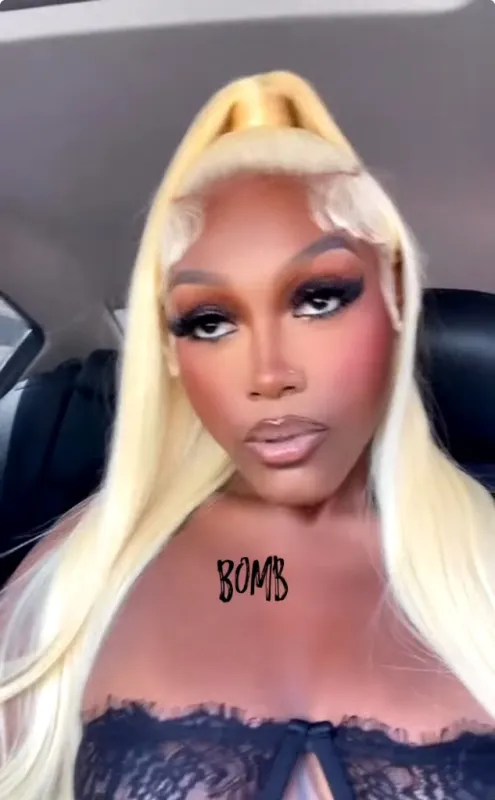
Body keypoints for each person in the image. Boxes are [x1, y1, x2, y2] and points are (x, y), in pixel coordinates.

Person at [1, 71, 495, 800]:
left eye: (317, 299)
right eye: (209, 321)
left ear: (396, 294)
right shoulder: (79, 575)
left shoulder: (483, 564)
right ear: (171, 351)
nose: (268, 375)